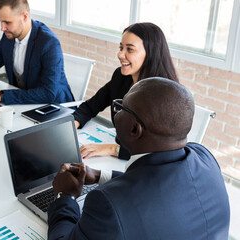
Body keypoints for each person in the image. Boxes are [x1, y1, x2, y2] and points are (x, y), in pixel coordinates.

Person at [48, 77, 230, 240]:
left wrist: (65, 196)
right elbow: (158, 186)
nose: (116, 113)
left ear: (135, 129)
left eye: (120, 108)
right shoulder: (204, 157)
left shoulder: (107, 204)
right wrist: (99, 176)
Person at [74, 22, 178, 160]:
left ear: (150, 54)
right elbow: (90, 106)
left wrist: (113, 149)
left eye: (130, 49)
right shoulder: (121, 77)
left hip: (145, 166)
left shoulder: (164, 94)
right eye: (121, 47)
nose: (120, 54)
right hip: (117, 160)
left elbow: (158, 149)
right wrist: (71, 127)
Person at [0, 0, 74, 105]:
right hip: (24, 104)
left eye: (7, 22)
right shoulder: (9, 35)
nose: (2, 28)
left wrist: (1, 95)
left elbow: (48, 93)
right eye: (1, 22)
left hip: (56, 107)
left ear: (25, 17)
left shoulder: (49, 42)